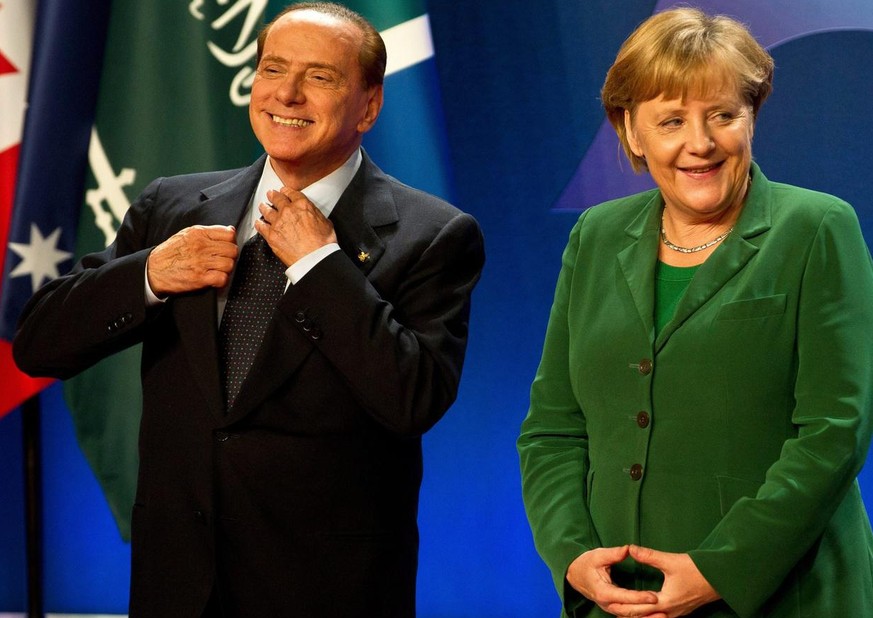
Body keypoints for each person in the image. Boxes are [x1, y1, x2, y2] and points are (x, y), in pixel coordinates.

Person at [14, 3, 484, 616]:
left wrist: (320, 268)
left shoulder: (433, 234)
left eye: (320, 77)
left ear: (369, 105)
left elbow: (413, 398)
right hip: (176, 583)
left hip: (327, 590)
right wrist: (151, 273)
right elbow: (38, 343)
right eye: (272, 69)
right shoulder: (174, 206)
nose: (286, 93)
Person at [517, 7, 873, 618]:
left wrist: (719, 570)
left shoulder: (817, 227)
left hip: (786, 597)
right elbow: (554, 427)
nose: (699, 143)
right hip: (618, 601)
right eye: (672, 120)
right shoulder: (596, 236)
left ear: (752, 117)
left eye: (723, 116)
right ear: (631, 132)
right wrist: (573, 558)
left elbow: (833, 432)